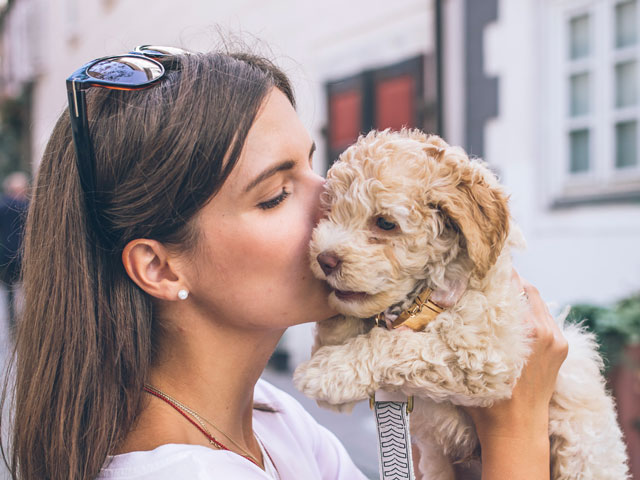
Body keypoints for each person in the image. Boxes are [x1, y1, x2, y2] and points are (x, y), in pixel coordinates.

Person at [1, 47, 568, 480]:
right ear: (162, 268)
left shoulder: (272, 417)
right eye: (274, 194)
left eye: (314, 166)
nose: (331, 199)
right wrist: (514, 427)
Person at [0, 171, 29, 335]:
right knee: (28, 290)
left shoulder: (2, 206)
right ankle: (27, 320)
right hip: (25, 255)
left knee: (10, 291)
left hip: (7, 254)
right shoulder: (28, 206)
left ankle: (13, 323)